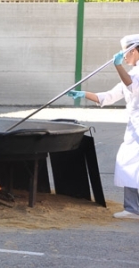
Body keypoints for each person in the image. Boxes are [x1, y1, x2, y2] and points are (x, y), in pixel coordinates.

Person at [67, 34, 139, 220]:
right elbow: (107, 97)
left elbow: (132, 87)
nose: (123, 58)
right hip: (134, 128)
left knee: (132, 165)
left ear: (134, 50)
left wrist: (117, 66)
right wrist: (84, 93)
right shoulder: (131, 74)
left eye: (125, 54)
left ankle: (133, 208)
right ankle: (133, 209)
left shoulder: (132, 76)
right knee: (128, 165)